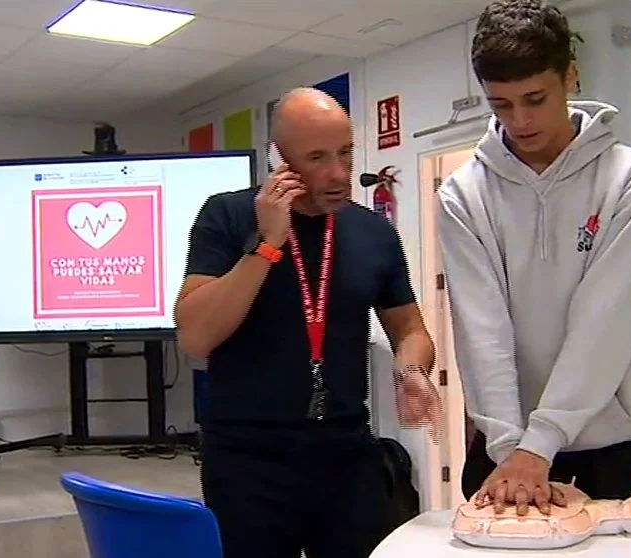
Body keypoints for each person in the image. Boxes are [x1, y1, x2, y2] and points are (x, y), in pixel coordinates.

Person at [174, 87, 442, 558]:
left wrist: (412, 371)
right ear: (281, 159)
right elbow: (196, 336)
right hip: (246, 459)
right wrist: (268, 244)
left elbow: (411, 329)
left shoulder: (373, 232)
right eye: (317, 158)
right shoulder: (227, 215)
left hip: (346, 452)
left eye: (345, 153)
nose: (339, 174)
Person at [437, 0, 631, 517]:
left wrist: (540, 442)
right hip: (506, 446)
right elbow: (482, 329)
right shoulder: (463, 194)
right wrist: (511, 448)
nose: (519, 121)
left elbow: (605, 318)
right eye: (500, 104)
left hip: (619, 441)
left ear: (570, 76)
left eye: (534, 98)